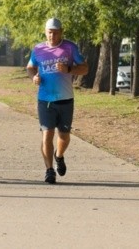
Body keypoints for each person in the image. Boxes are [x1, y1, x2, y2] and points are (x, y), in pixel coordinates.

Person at [26, 18, 89, 184]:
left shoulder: (70, 47)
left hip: (65, 99)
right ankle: (49, 170)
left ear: (61, 32)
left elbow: (85, 68)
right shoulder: (38, 49)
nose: (52, 35)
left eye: (55, 32)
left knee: (64, 136)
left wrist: (69, 68)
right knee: (47, 134)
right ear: (45, 32)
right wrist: (34, 77)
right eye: (49, 32)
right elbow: (30, 67)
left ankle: (59, 156)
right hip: (45, 99)